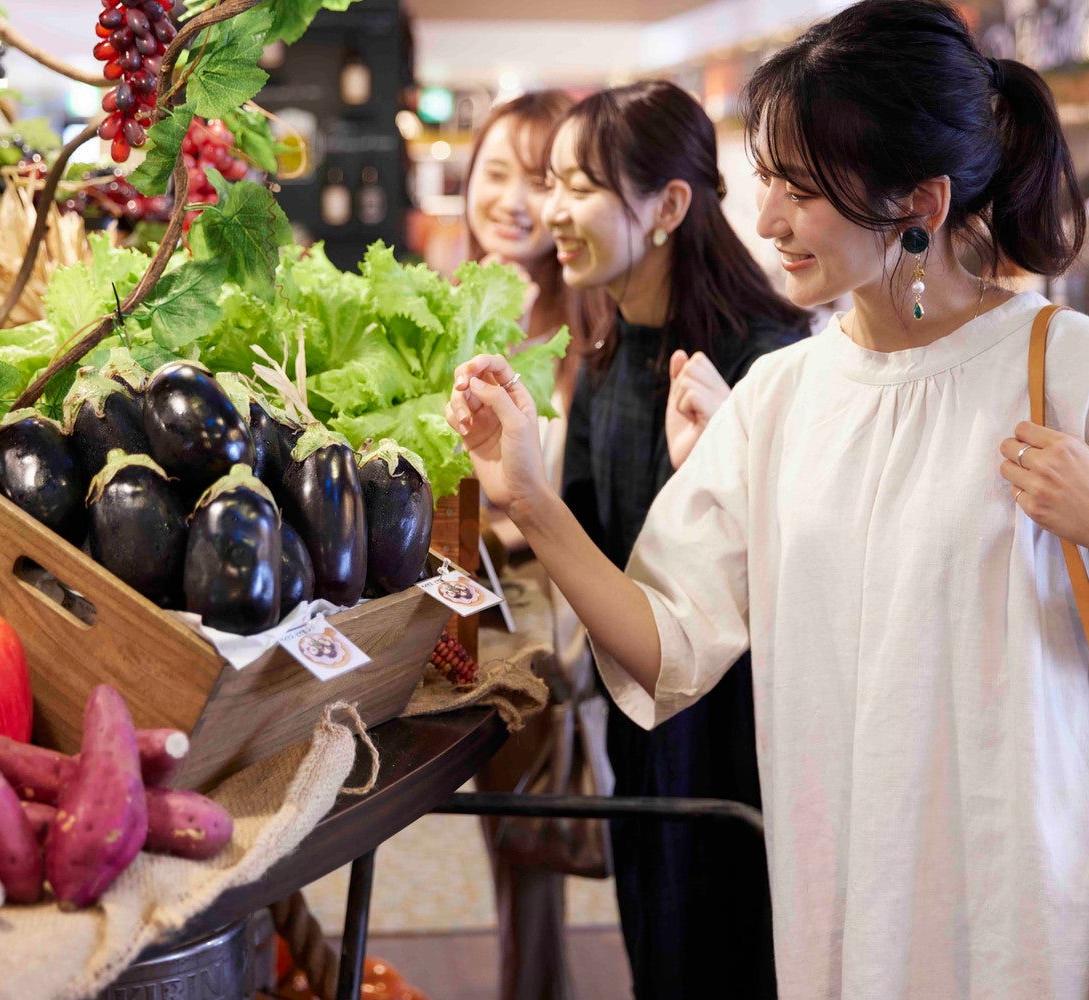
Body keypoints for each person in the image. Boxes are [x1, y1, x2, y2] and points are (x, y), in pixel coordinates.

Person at [444, 2, 1089, 997]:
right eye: (768, 181)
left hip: (1033, 901)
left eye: (802, 190)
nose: (768, 219)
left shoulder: (1079, 369)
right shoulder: (783, 396)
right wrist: (529, 499)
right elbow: (664, 642)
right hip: (846, 899)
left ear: (922, 203)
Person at [544, 80, 809, 999]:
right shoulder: (609, 344)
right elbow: (590, 541)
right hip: (643, 733)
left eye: (579, 186)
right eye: (551, 183)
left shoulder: (766, 362)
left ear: (668, 207)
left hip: (738, 753)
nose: (552, 212)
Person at [459, 89, 600, 1000]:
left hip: (546, 623)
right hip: (459, 605)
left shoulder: (590, 329)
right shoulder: (447, 305)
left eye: (540, 180)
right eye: (496, 172)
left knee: (530, 844)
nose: (512, 199)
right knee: (508, 841)